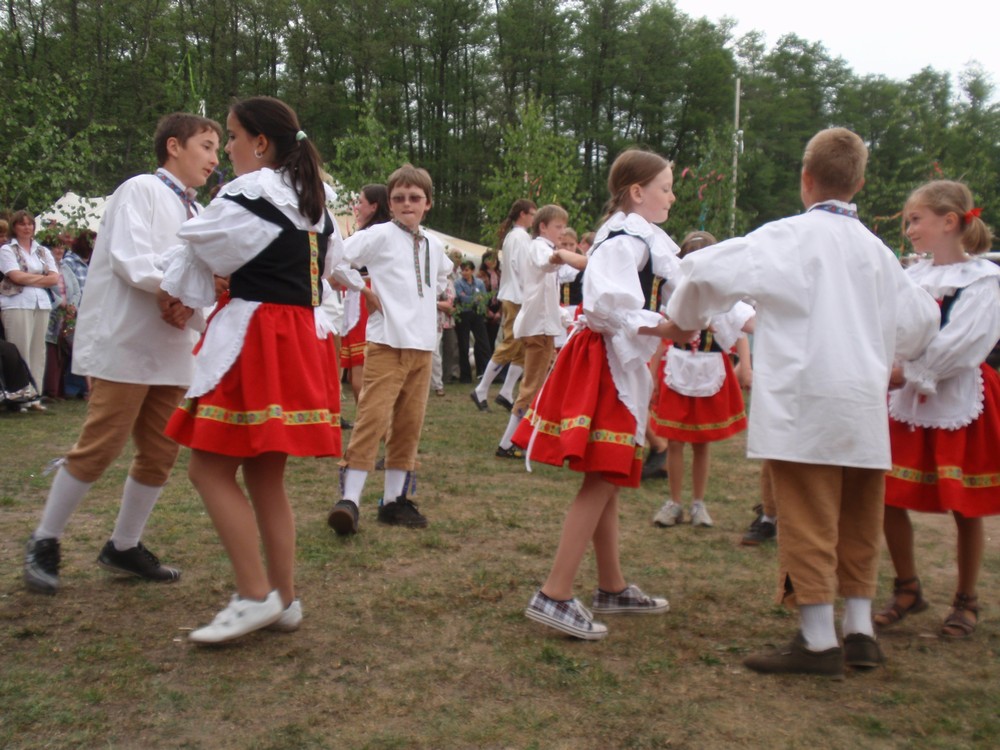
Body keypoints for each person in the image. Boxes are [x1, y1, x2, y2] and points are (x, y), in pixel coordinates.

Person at [666, 128, 940, 677]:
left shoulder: (785, 237)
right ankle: (859, 630)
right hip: (862, 403)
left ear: (805, 179)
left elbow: (702, 269)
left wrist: (684, 320)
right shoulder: (879, 253)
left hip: (804, 401)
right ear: (860, 182)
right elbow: (921, 323)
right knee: (860, 515)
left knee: (808, 516)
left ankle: (818, 640)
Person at [162, 96, 359, 643]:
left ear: (261, 142)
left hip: (257, 337)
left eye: (231, 136)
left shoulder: (251, 192)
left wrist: (175, 292)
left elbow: (197, 255)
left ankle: (254, 594)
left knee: (208, 470)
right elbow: (332, 270)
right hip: (298, 337)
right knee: (265, 477)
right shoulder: (314, 203)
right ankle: (284, 599)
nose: (227, 148)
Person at [21, 112, 222, 595]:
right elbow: (131, 261)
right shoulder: (139, 190)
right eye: (207, 146)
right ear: (173, 146)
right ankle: (44, 539)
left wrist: (190, 305)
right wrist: (176, 293)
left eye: (218, 148)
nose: (215, 159)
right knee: (102, 444)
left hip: (173, 346)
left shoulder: (196, 211)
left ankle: (124, 545)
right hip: (129, 340)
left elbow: (201, 277)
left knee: (160, 451)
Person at [515, 149, 684, 640]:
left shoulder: (638, 238)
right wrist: (663, 327)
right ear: (637, 192)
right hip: (606, 363)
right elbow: (606, 307)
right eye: (666, 188)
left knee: (607, 474)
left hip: (615, 361)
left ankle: (610, 584)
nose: (671, 197)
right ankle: (554, 592)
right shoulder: (623, 239)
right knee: (604, 474)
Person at [875, 180, 1000, 640]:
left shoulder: (984, 280)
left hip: (959, 397)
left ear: (949, 222)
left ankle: (966, 598)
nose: (909, 229)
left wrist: (908, 371)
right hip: (906, 398)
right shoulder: (912, 276)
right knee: (886, 493)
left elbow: (965, 342)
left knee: (964, 504)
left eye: (916, 220)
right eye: (908, 221)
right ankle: (907, 587)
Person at [327, 163, 453, 535]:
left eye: (414, 198)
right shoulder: (379, 235)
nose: (406, 204)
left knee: (409, 425)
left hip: (422, 346)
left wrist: (428, 297)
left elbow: (442, 274)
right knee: (373, 418)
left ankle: (394, 500)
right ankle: (349, 499)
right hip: (387, 343)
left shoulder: (433, 244)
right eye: (399, 198)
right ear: (390, 203)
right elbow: (335, 258)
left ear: (428, 203)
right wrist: (363, 289)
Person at [650, 230, 753, 528]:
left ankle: (698, 503)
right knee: (675, 441)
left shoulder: (725, 298)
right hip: (678, 368)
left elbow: (744, 329)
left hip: (710, 370)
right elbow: (661, 338)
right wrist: (652, 375)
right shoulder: (675, 294)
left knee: (702, 442)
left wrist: (746, 366)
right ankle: (674, 502)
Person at [494, 204, 568, 458]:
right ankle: (508, 443)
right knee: (532, 385)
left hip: (542, 326)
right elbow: (546, 263)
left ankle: (521, 438)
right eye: (558, 226)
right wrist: (562, 256)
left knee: (536, 384)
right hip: (538, 328)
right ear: (543, 227)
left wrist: (565, 317)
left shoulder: (547, 248)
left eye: (564, 227)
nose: (562, 231)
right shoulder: (539, 247)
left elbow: (551, 289)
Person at [470, 199, 535, 412]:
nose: (534, 219)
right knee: (511, 343)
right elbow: (523, 269)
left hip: (516, 295)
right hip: (517, 297)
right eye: (532, 214)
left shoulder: (515, 237)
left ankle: (506, 392)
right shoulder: (520, 237)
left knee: (521, 345)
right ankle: (481, 389)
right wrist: (531, 293)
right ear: (523, 214)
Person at [0, 210, 58, 411]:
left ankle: (35, 395)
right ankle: (19, 395)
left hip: (41, 302)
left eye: (29, 224)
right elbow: (15, 276)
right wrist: (42, 278)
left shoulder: (42, 251)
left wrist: (30, 278)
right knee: (20, 348)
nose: (26, 228)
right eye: (22, 224)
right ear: (15, 227)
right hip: (17, 302)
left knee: (38, 350)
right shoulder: (8, 250)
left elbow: (54, 278)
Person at [341, 184, 391, 404]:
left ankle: (370, 417)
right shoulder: (384, 234)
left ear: (374, 206)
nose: (356, 207)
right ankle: (370, 417)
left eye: (360, 202)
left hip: (366, 300)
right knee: (360, 368)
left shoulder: (371, 235)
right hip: (364, 298)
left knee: (362, 367)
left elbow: (337, 260)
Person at [454, 259, 491, 383]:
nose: (464, 273)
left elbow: (484, 298)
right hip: (463, 314)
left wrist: (471, 298)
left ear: (472, 271)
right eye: (463, 270)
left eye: (467, 270)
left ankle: (486, 372)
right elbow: (461, 298)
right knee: (463, 344)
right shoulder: (458, 283)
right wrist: (475, 298)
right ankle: (465, 376)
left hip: (477, 314)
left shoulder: (479, 283)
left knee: (483, 343)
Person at [478, 250, 501, 353]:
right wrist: (486, 310)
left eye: (494, 259)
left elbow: (503, 293)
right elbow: (478, 295)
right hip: (485, 307)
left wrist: (500, 311)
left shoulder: (500, 274)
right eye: (489, 259)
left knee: (493, 337)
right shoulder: (480, 275)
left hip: (497, 307)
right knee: (484, 339)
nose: (492, 261)